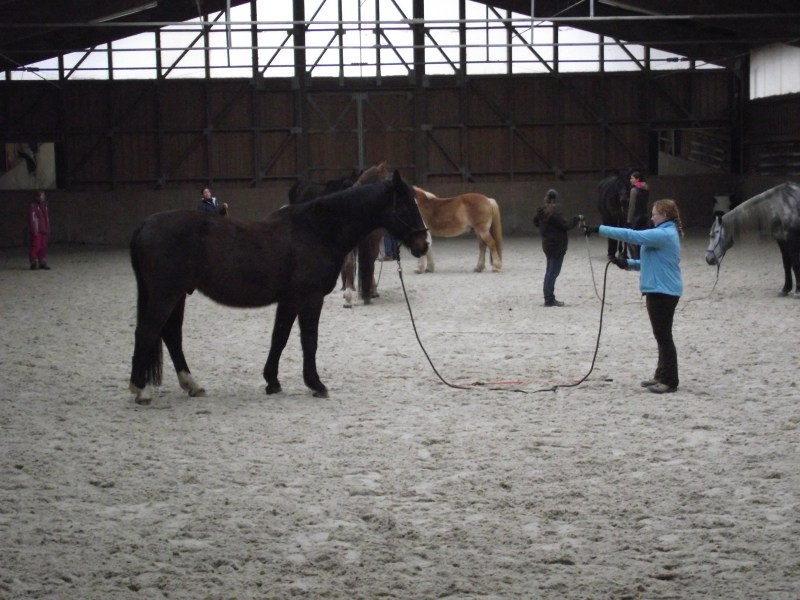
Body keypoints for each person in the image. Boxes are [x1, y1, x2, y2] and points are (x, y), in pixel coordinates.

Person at [583, 199, 684, 394]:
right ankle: (661, 374)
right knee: (661, 335)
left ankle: (670, 380)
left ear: (664, 215)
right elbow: (652, 262)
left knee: (664, 336)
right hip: (660, 289)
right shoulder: (664, 233)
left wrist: (600, 229)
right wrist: (628, 264)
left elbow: (632, 235)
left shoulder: (663, 234)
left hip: (663, 291)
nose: (652, 217)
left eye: (654, 214)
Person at [532, 188, 582, 307]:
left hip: (547, 245)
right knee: (553, 272)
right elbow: (566, 225)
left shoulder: (541, 212)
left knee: (549, 271)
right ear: (555, 200)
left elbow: (535, 222)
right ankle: (549, 299)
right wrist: (577, 218)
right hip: (557, 246)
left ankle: (548, 297)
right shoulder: (554, 215)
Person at [28, 190, 51, 270]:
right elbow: (32, 218)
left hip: (44, 229)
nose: (43, 197)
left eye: (43, 196)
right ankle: (33, 262)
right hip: (37, 230)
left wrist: (47, 228)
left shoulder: (44, 206)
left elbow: (46, 218)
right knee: (36, 246)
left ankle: (42, 261)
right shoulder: (33, 206)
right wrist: (34, 230)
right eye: (42, 196)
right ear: (37, 197)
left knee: (43, 246)